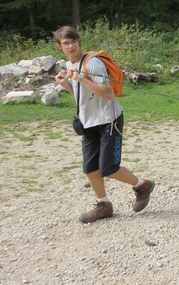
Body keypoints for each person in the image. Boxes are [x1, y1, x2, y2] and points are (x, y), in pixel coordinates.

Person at [53, 26, 155, 223]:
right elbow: (83, 97)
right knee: (90, 167)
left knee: (108, 168)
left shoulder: (93, 64)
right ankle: (103, 205)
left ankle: (142, 185)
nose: (71, 46)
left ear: (79, 42)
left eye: (73, 41)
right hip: (88, 122)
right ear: (59, 46)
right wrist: (66, 85)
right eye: (66, 43)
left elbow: (107, 93)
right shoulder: (70, 64)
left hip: (109, 120)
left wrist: (82, 78)